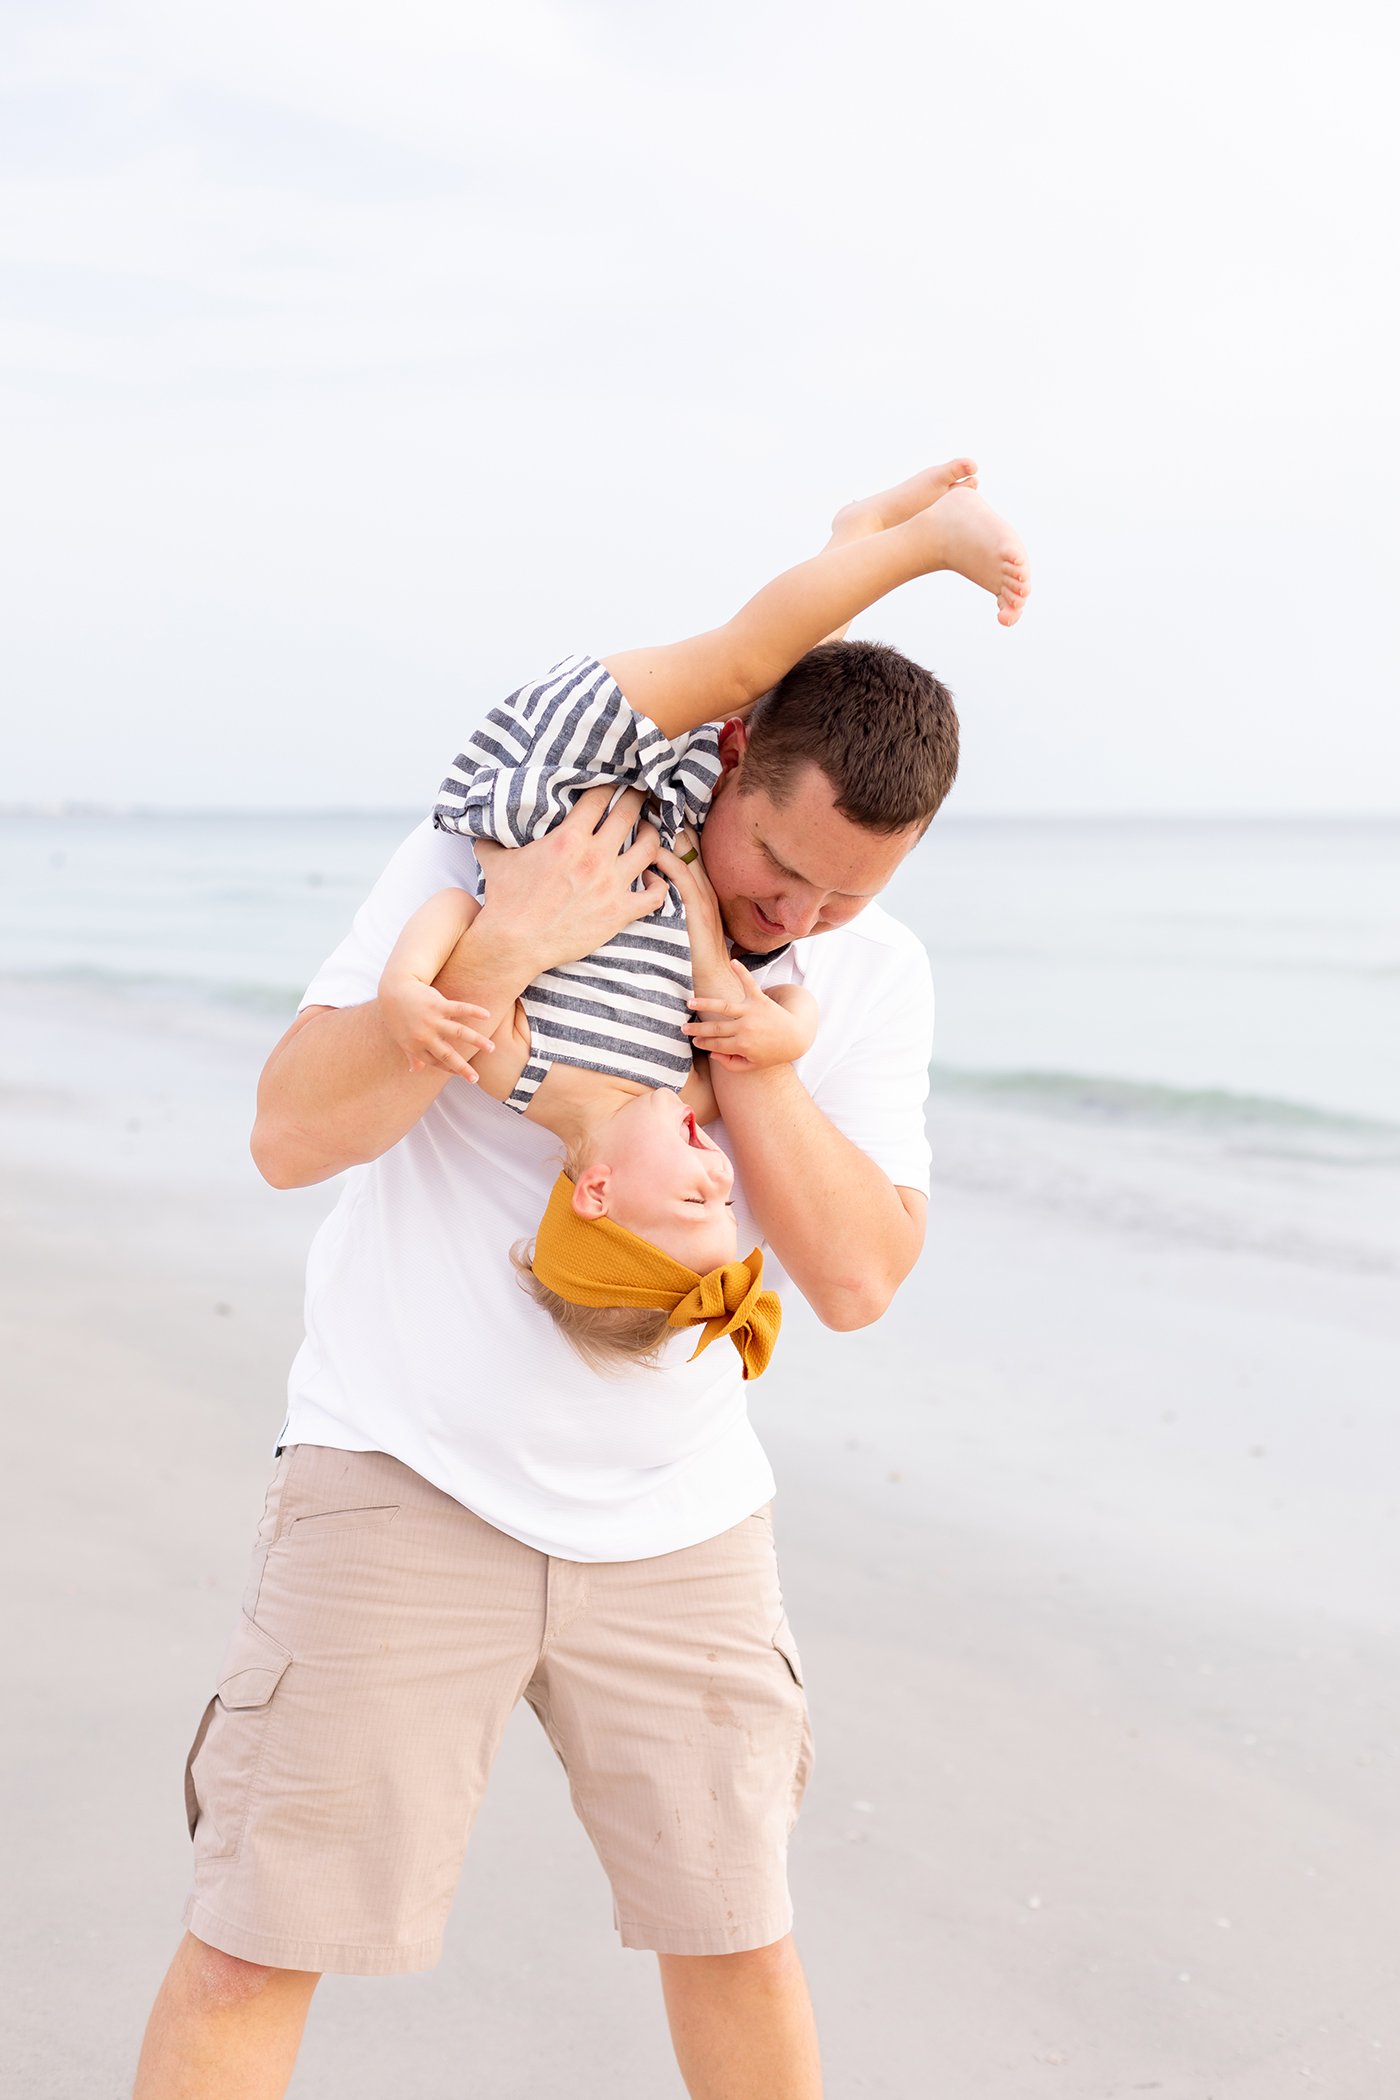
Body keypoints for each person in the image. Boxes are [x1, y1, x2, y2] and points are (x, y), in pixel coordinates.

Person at [132, 459, 1029, 2100]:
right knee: (259, 1936)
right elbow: (285, 1134)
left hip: (682, 1520)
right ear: (736, 756)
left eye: (845, 896)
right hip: (405, 1474)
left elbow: (854, 1275)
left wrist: (735, 1015)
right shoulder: (538, 838)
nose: (800, 913)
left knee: (741, 1935)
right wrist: (497, 950)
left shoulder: (856, 972)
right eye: (781, 866)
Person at [376, 473, 1026, 1373]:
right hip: (667, 811)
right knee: (781, 700)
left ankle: (916, 543)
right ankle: (861, 537)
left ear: (596, 1190)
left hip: (554, 780)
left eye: (696, 1202)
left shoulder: (513, 1071)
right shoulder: (684, 1097)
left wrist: (414, 990)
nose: (724, 1177)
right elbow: (783, 1028)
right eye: (786, 869)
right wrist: (764, 1020)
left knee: (745, 669)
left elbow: (455, 930)